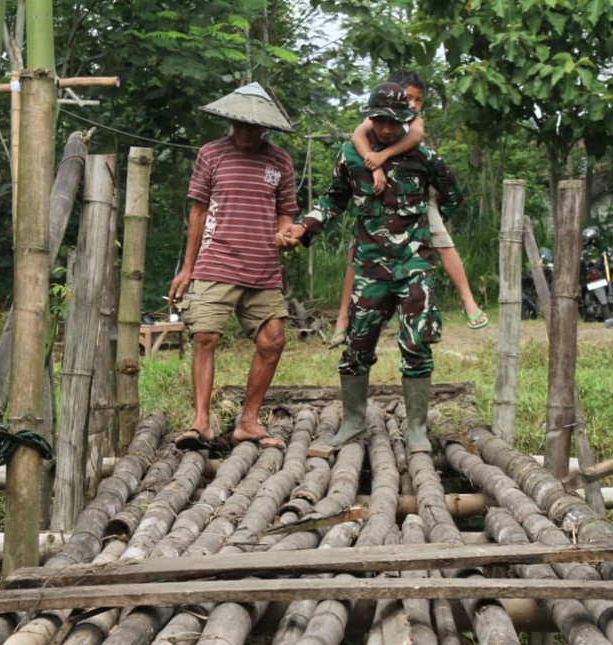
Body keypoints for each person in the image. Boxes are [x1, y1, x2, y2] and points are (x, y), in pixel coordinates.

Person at [279, 82, 465, 453]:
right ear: (370, 117)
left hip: (415, 265)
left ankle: (416, 430)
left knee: (417, 345)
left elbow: (453, 194)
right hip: (370, 266)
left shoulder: (424, 156)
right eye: (379, 120)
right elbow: (332, 200)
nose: (385, 128)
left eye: (393, 121)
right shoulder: (351, 156)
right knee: (356, 346)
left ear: (406, 120)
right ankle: (352, 423)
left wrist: (423, 224)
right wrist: (304, 227)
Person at [168, 82, 298, 451]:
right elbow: (198, 210)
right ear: (230, 121)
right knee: (205, 336)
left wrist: (286, 236)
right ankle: (201, 423)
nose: (246, 130)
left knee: (273, 340)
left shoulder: (280, 161)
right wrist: (187, 268)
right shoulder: (211, 154)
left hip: (263, 268)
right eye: (240, 123)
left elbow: (284, 217)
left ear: (265, 128)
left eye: (254, 125)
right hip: (216, 261)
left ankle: (248, 421)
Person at [326, 70, 486, 350]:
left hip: (419, 196)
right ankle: (343, 317)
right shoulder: (375, 120)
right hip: (380, 208)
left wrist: (381, 159)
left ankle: (467, 298)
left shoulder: (414, 125)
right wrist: (373, 167)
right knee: (357, 253)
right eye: (408, 98)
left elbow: (414, 142)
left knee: (441, 240)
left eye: (418, 100)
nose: (412, 105)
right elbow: (357, 137)